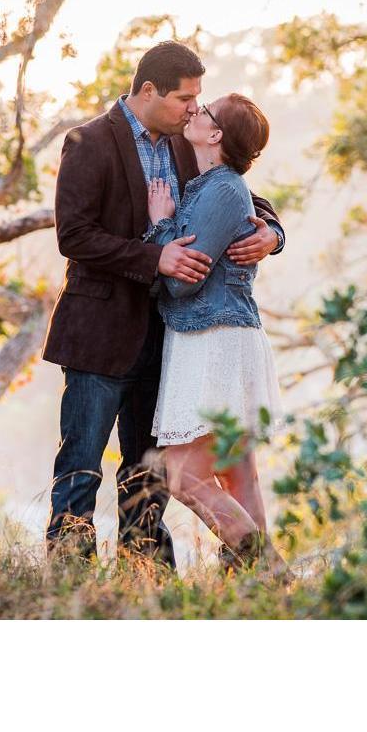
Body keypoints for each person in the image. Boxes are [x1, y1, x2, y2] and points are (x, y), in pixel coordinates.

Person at [42, 41, 285, 566]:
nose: (193, 109)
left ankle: (148, 575)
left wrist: (273, 233)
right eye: (185, 99)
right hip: (99, 336)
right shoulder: (88, 142)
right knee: (81, 464)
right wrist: (156, 260)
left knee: (146, 472)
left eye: (198, 100)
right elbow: (75, 235)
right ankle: (68, 578)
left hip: (167, 340)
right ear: (147, 91)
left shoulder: (184, 142)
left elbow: (240, 192)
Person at [144, 92, 285, 571]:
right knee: (238, 471)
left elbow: (183, 284)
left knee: (182, 475)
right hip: (219, 332)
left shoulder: (223, 188)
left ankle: (263, 564)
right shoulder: (210, 181)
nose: (195, 111)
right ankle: (262, 590)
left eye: (205, 110)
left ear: (217, 133)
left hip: (214, 337)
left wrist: (161, 226)